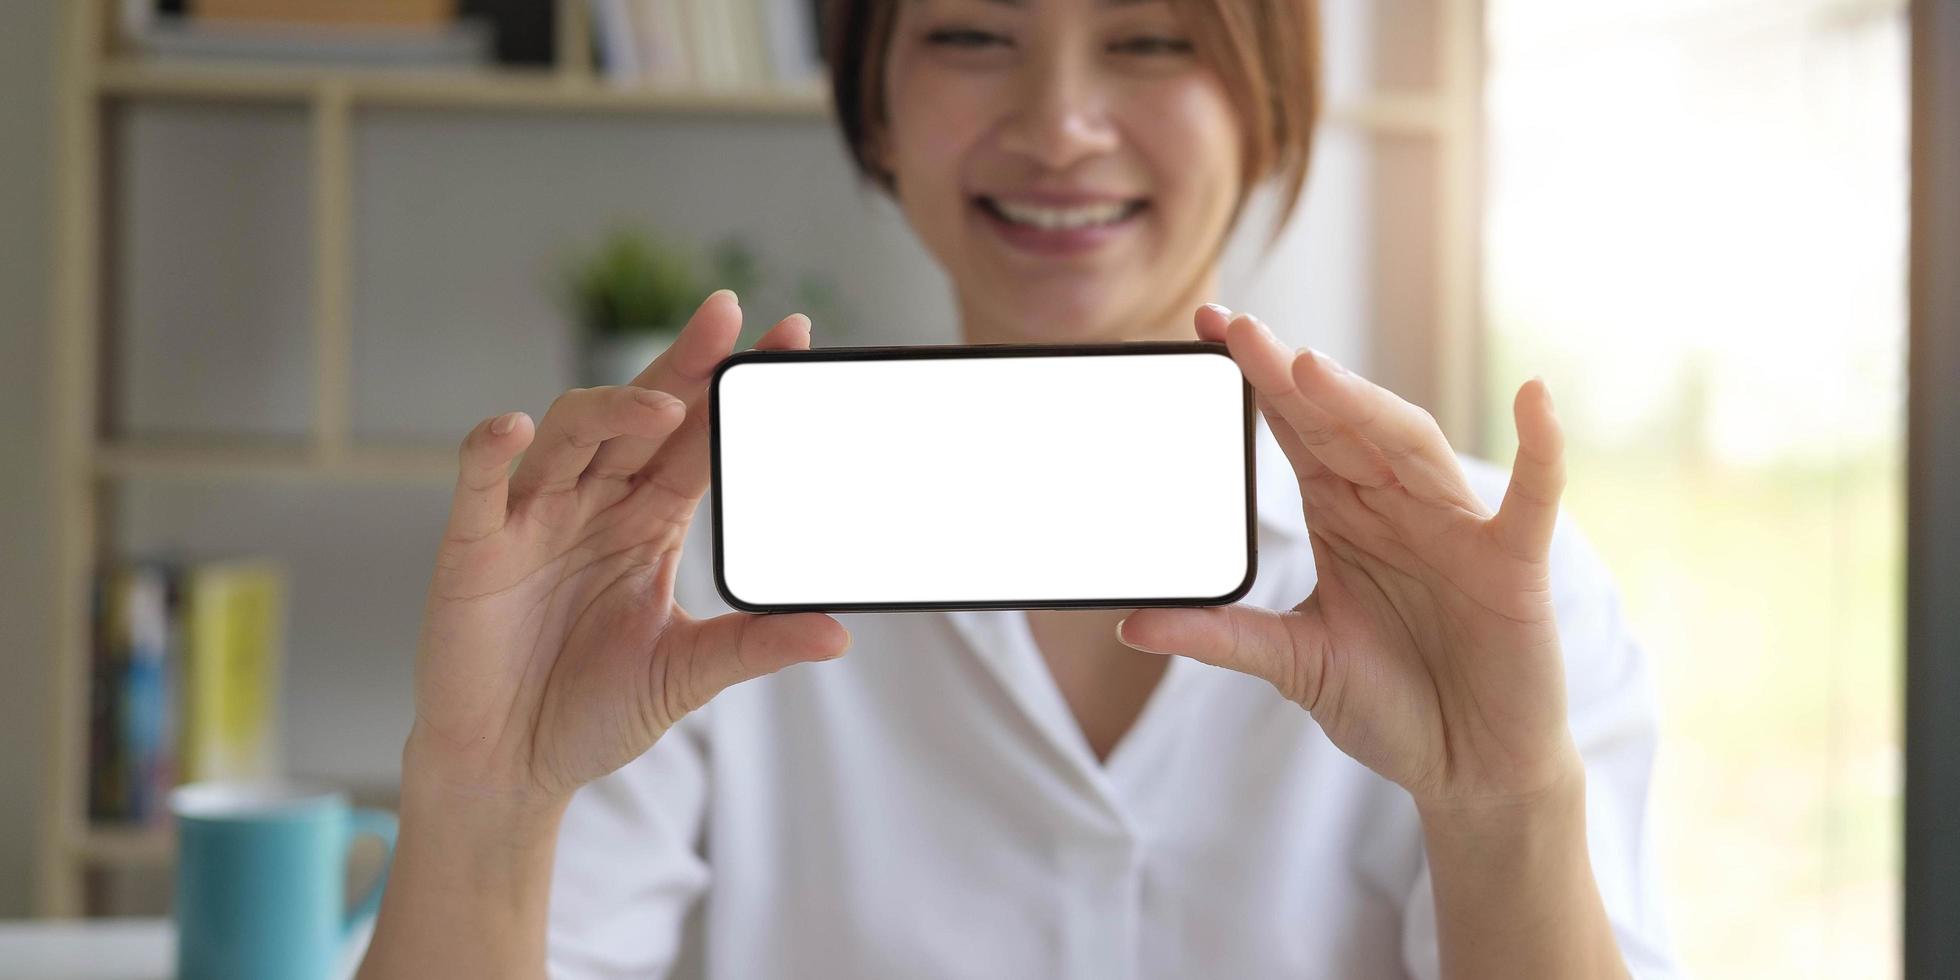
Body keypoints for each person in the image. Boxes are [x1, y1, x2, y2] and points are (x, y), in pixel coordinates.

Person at [357, 0, 1680, 977]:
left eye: (1155, 40)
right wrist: (485, 796)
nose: (1058, 127)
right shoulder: (683, 568)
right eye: (972, 35)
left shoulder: (1490, 577)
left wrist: (1504, 804)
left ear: (1270, 101)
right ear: (872, 100)